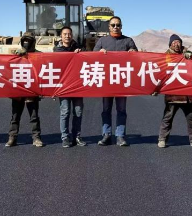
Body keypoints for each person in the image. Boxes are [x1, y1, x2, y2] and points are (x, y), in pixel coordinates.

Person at [93, 16, 137, 146]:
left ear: (121, 26)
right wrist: (98, 52)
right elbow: (92, 56)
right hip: (107, 81)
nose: (115, 27)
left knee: (121, 110)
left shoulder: (128, 41)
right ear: (109, 27)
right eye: (113, 25)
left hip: (122, 81)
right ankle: (106, 134)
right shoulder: (102, 41)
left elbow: (137, 57)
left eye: (118, 25)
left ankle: (120, 136)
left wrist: (133, 52)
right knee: (106, 109)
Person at [157, 34, 192, 149]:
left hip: (188, 94)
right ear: (170, 45)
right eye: (174, 42)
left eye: (178, 42)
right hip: (172, 95)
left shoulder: (188, 55)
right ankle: (162, 139)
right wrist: (156, 88)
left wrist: (189, 55)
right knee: (167, 118)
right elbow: (160, 73)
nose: (176, 44)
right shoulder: (165, 57)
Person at [7, 31, 44, 147]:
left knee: (34, 117)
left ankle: (36, 137)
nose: (26, 43)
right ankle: (12, 137)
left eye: (29, 41)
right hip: (18, 91)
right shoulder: (16, 54)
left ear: (33, 42)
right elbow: (7, 68)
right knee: (15, 116)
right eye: (25, 40)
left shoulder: (39, 55)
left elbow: (44, 70)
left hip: (32, 91)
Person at [54, 26, 84, 148]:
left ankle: (76, 136)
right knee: (65, 112)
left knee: (78, 112)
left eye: (69, 34)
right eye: (65, 34)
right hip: (64, 86)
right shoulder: (56, 51)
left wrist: (80, 53)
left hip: (77, 85)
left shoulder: (79, 48)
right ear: (61, 36)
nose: (67, 36)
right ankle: (65, 137)